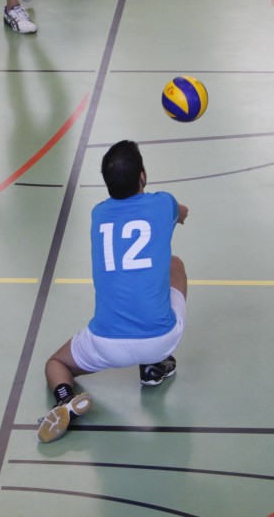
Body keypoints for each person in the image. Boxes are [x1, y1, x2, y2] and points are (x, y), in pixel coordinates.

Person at [37, 140, 189, 443]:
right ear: (143, 176)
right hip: (160, 338)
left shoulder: (98, 213)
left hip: (106, 343)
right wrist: (177, 213)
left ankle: (65, 399)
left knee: (56, 363)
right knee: (174, 265)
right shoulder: (163, 204)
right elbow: (183, 214)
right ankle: (154, 365)